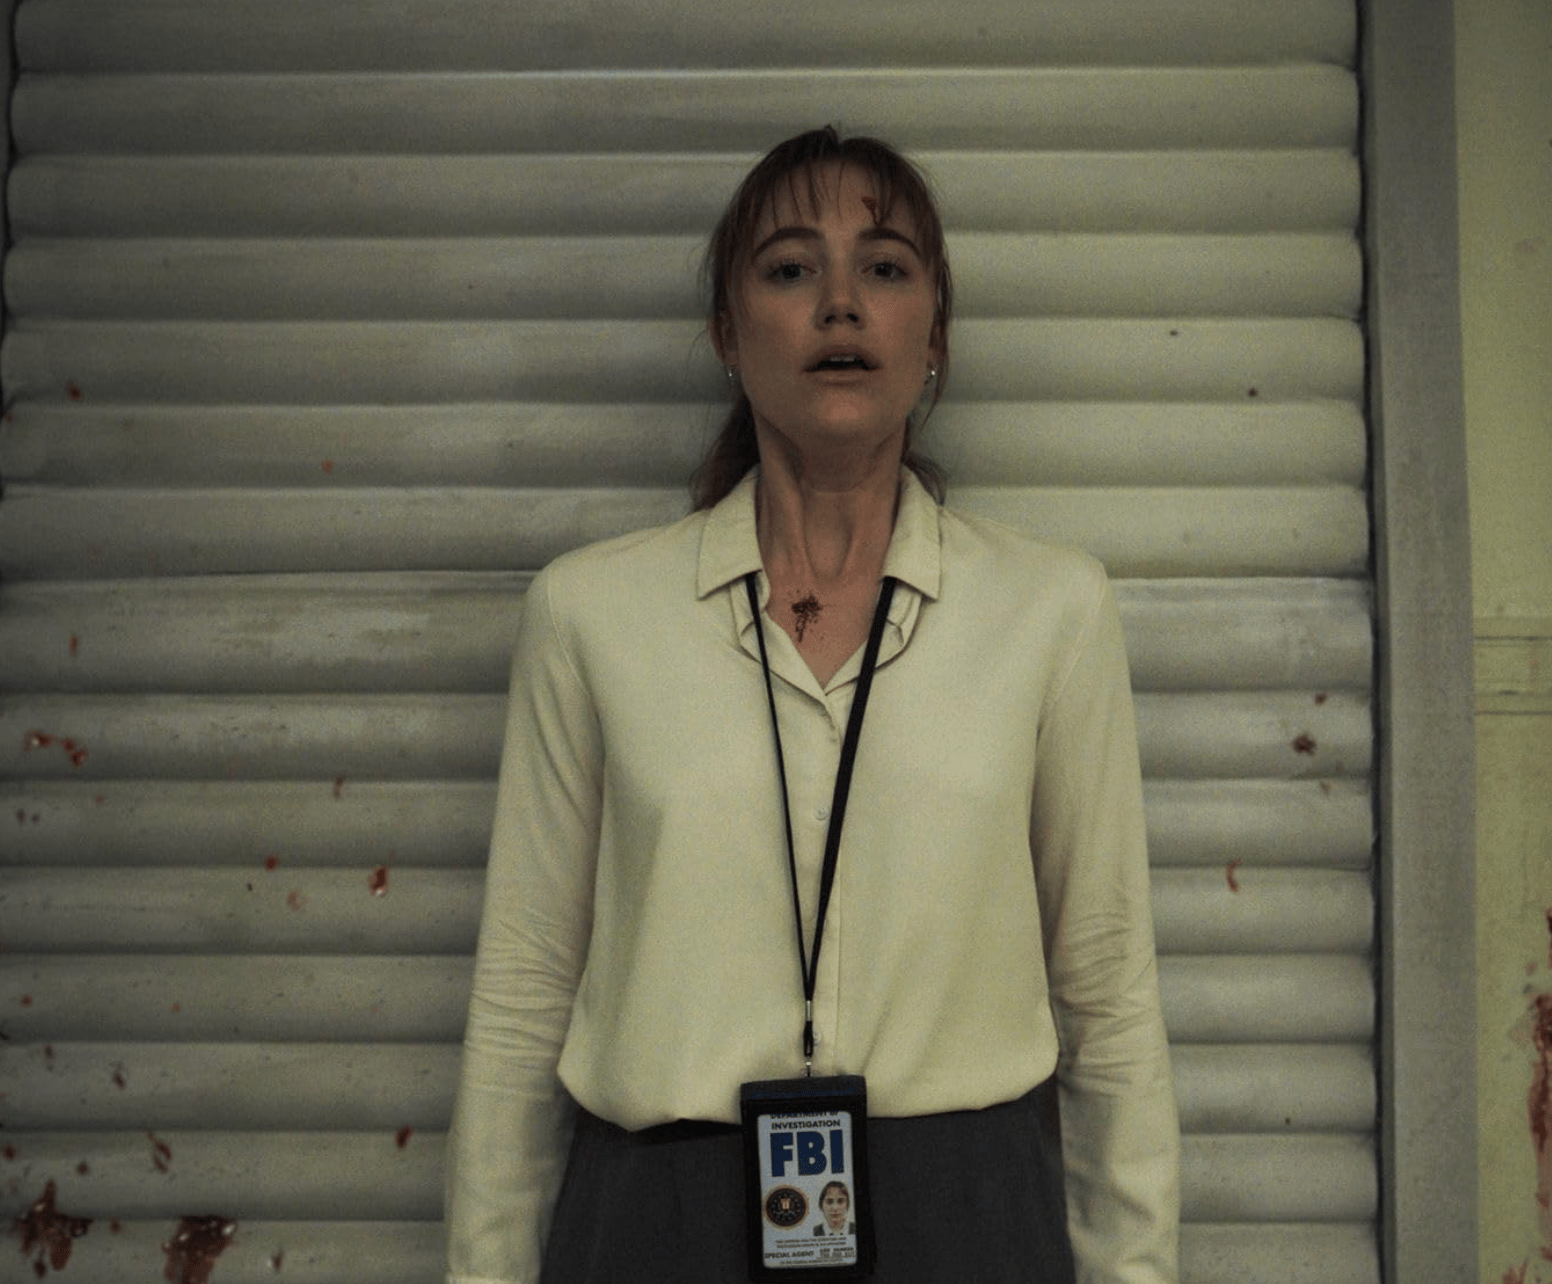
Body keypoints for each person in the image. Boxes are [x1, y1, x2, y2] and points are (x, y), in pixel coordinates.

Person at [445, 125, 1178, 1284]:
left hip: (969, 1215)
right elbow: (524, 988)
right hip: (656, 1217)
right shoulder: (592, 615)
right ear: (727, 333)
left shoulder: (1049, 610)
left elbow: (1106, 989)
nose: (840, 303)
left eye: (883, 268)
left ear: (931, 333)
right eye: (790, 268)